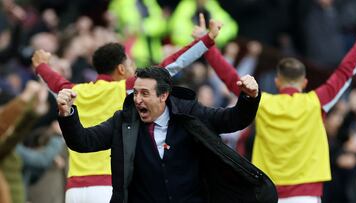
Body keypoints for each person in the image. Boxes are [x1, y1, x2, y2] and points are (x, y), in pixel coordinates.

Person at [31, 20, 222, 203]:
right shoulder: (126, 89)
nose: (134, 69)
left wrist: (41, 65)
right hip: (108, 186)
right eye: (130, 64)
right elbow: (171, 64)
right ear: (121, 69)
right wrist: (207, 40)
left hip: (74, 190)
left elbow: (54, 81)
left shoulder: (75, 91)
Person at [194, 15, 356, 202]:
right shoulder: (316, 101)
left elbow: (232, 78)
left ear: (277, 81)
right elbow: (345, 70)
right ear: (304, 82)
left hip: (269, 194)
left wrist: (206, 45)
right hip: (306, 195)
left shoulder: (263, 102)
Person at [56, 67, 277, 203]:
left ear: (163, 96)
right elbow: (83, 142)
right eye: (136, 93)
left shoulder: (190, 113)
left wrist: (249, 97)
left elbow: (232, 120)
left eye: (145, 93)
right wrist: (68, 115)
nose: (137, 100)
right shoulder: (123, 121)